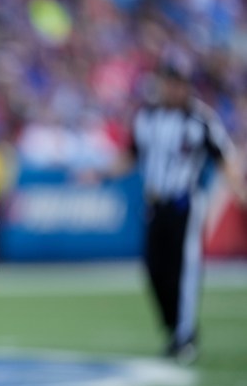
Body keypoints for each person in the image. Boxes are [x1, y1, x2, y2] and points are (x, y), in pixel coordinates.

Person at [94, 57, 247, 364]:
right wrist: (101, 174)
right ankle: (173, 327)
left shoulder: (200, 119)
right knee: (154, 270)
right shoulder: (146, 117)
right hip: (155, 206)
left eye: (176, 83)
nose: (171, 88)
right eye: (167, 82)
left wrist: (239, 191)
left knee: (184, 273)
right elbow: (131, 156)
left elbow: (223, 157)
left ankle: (185, 336)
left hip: (184, 204)